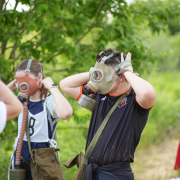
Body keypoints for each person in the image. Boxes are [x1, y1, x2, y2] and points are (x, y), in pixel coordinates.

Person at [60, 49, 156, 180]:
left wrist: (128, 72)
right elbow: (65, 85)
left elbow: (148, 93)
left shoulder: (134, 100)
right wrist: (95, 73)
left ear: (121, 76)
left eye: (105, 73)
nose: (100, 78)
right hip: (91, 173)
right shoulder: (98, 96)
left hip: (115, 174)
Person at [7, 59, 73, 180]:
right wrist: (8, 88)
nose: (23, 85)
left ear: (39, 78)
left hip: (44, 162)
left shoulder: (48, 101)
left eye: (26, 81)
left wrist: (52, 87)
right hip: (20, 159)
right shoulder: (19, 101)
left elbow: (66, 113)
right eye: (19, 81)